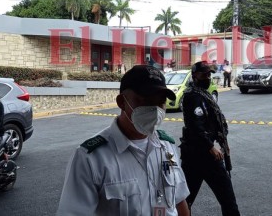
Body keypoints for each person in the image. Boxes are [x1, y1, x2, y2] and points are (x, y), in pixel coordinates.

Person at [57, 65, 190, 216]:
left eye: (160, 102)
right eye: (146, 101)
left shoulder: (167, 146)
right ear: (122, 102)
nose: (154, 109)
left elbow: (179, 200)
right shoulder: (91, 158)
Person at [180, 61, 240, 216]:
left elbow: (216, 122)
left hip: (205, 154)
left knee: (227, 199)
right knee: (185, 201)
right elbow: (195, 126)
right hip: (197, 155)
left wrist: (222, 141)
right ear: (194, 76)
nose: (207, 78)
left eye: (209, 74)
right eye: (204, 74)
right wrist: (210, 147)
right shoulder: (191, 96)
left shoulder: (205, 95)